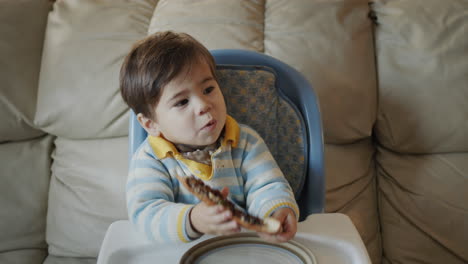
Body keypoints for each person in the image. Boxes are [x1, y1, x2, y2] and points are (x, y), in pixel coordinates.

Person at [119, 31, 299, 244]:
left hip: (245, 247)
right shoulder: (150, 160)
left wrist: (276, 211)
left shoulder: (245, 142)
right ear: (151, 124)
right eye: (182, 102)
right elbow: (146, 215)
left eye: (208, 89)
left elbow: (267, 186)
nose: (203, 105)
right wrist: (193, 220)